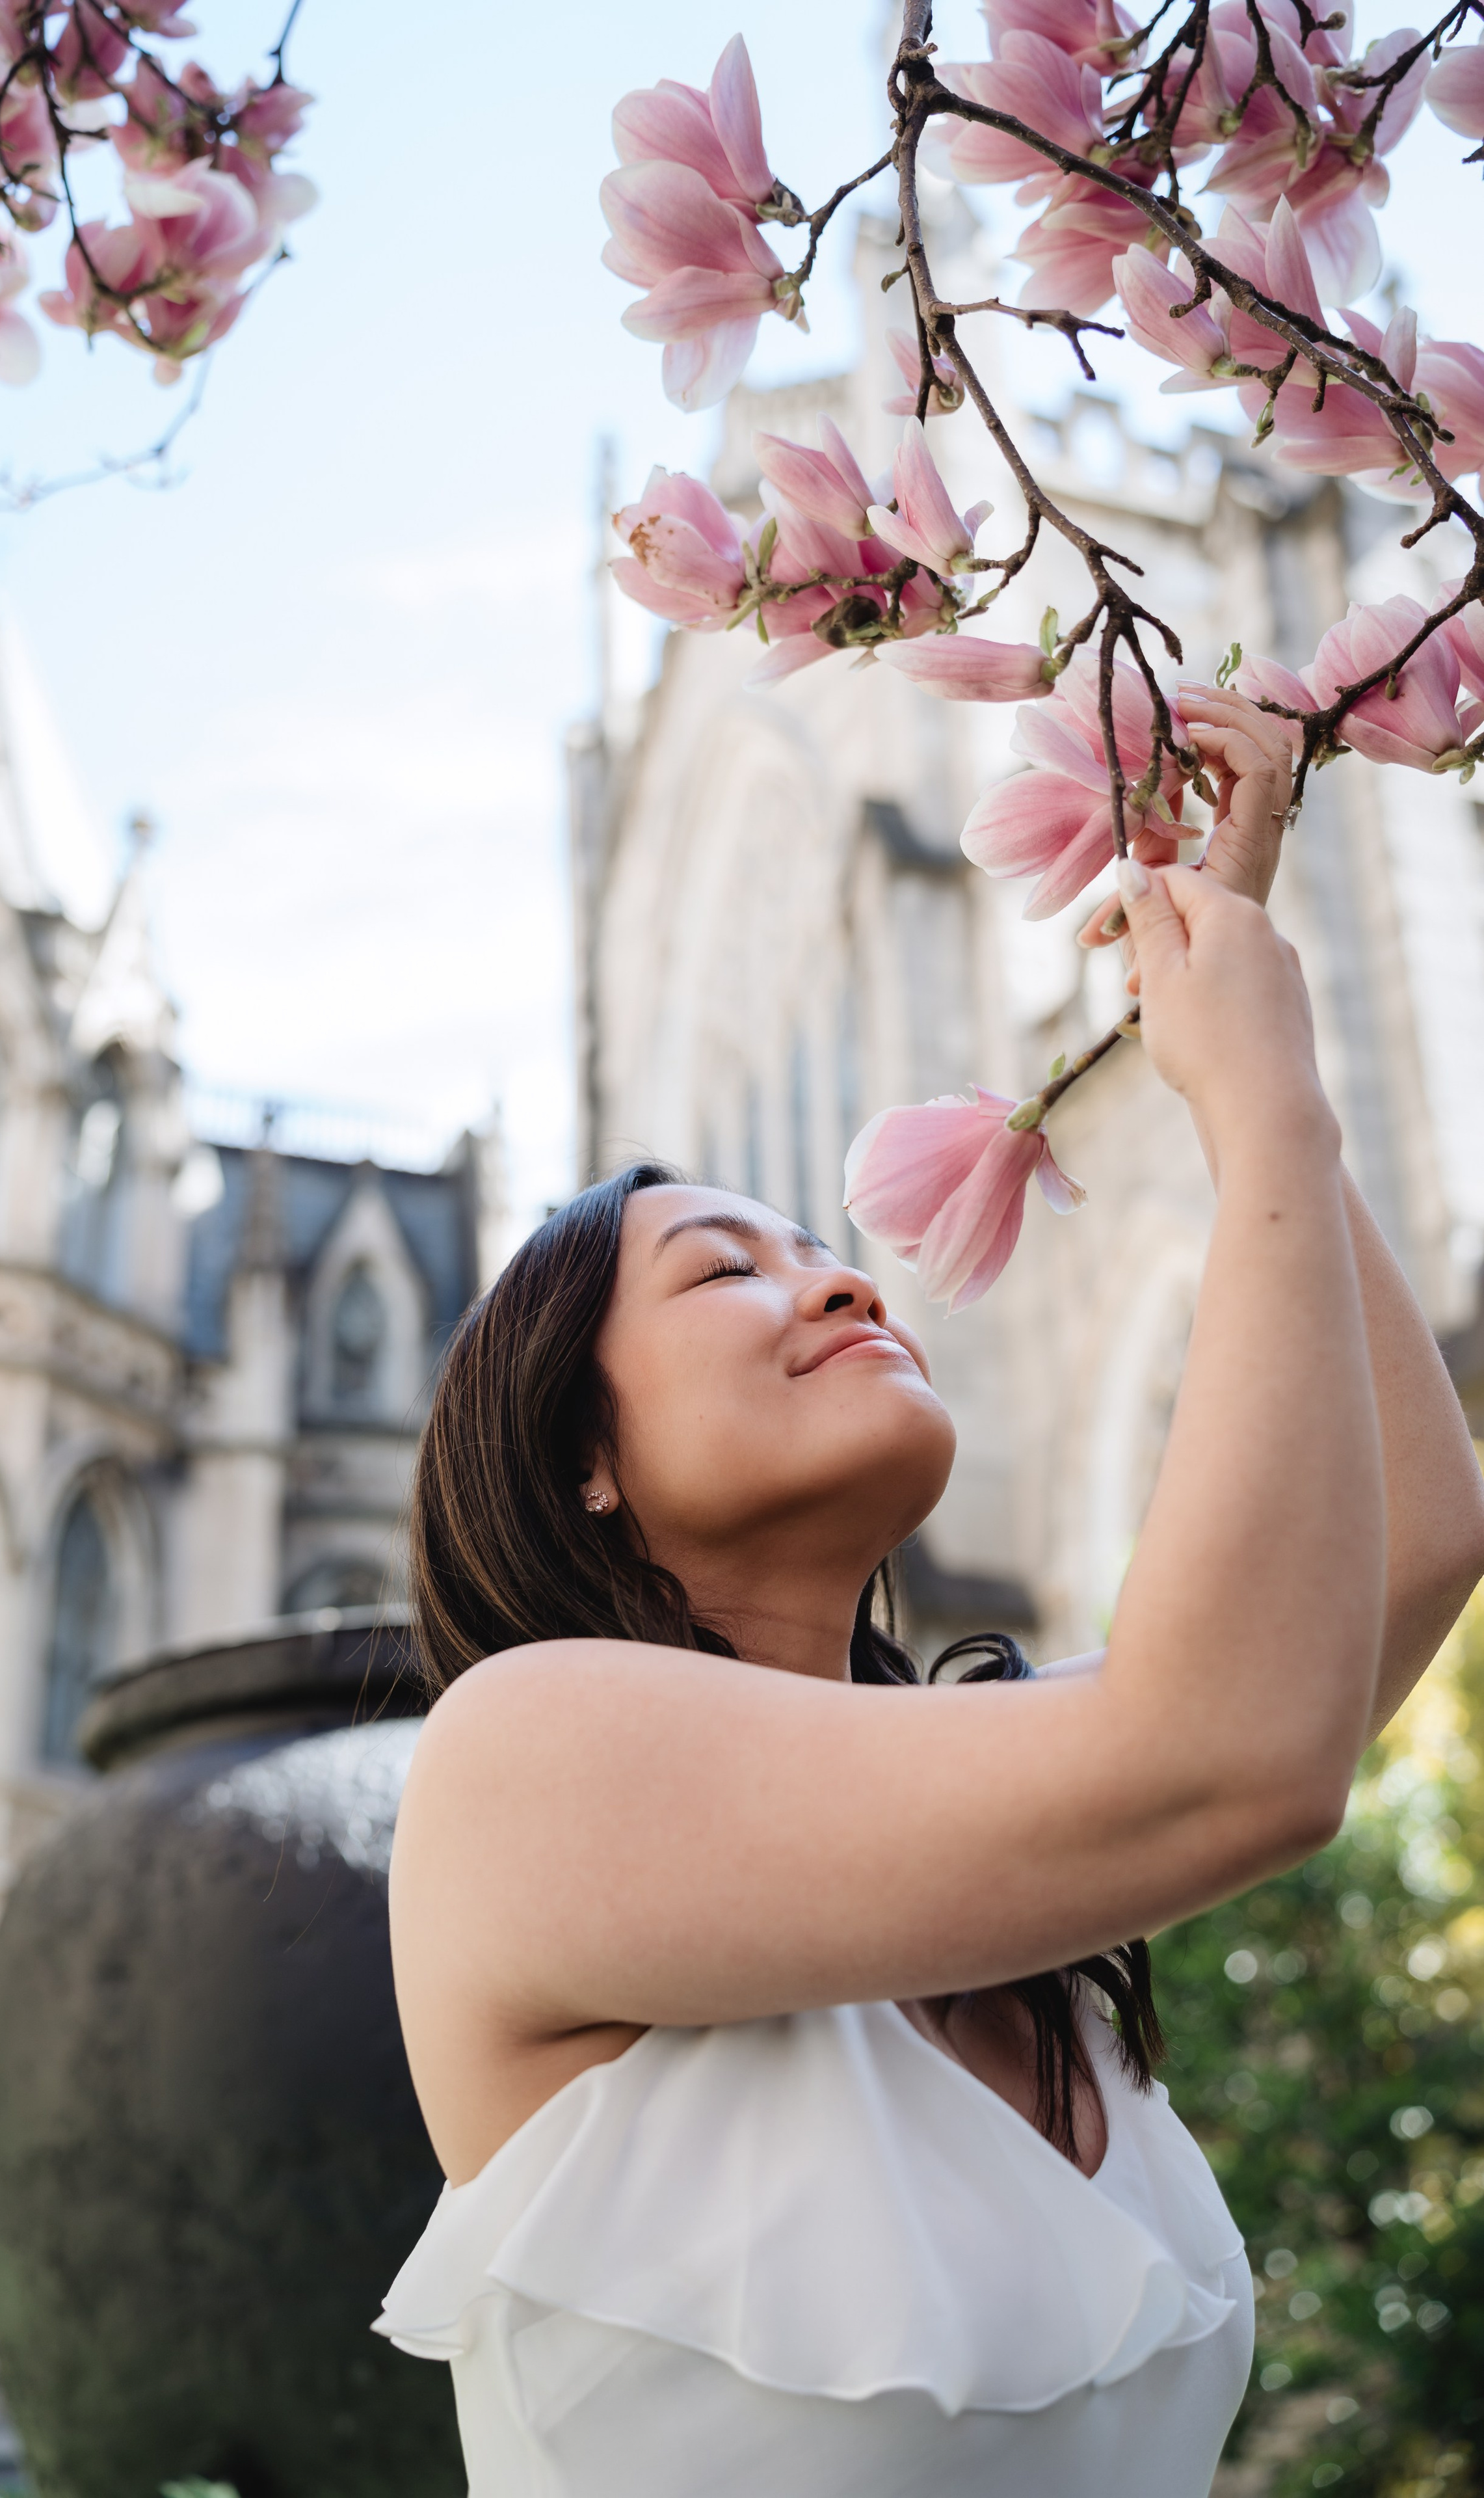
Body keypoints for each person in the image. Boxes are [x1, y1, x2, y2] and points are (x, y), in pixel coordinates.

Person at [375, 690, 1484, 2497]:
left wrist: (1234, 1069)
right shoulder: (523, 1753)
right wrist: (1252, 1093)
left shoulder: (993, 1823)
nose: (846, 1288)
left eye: (837, 1254)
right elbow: (1239, 1755)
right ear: (579, 1451)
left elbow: (1417, 1545)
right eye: (728, 1270)